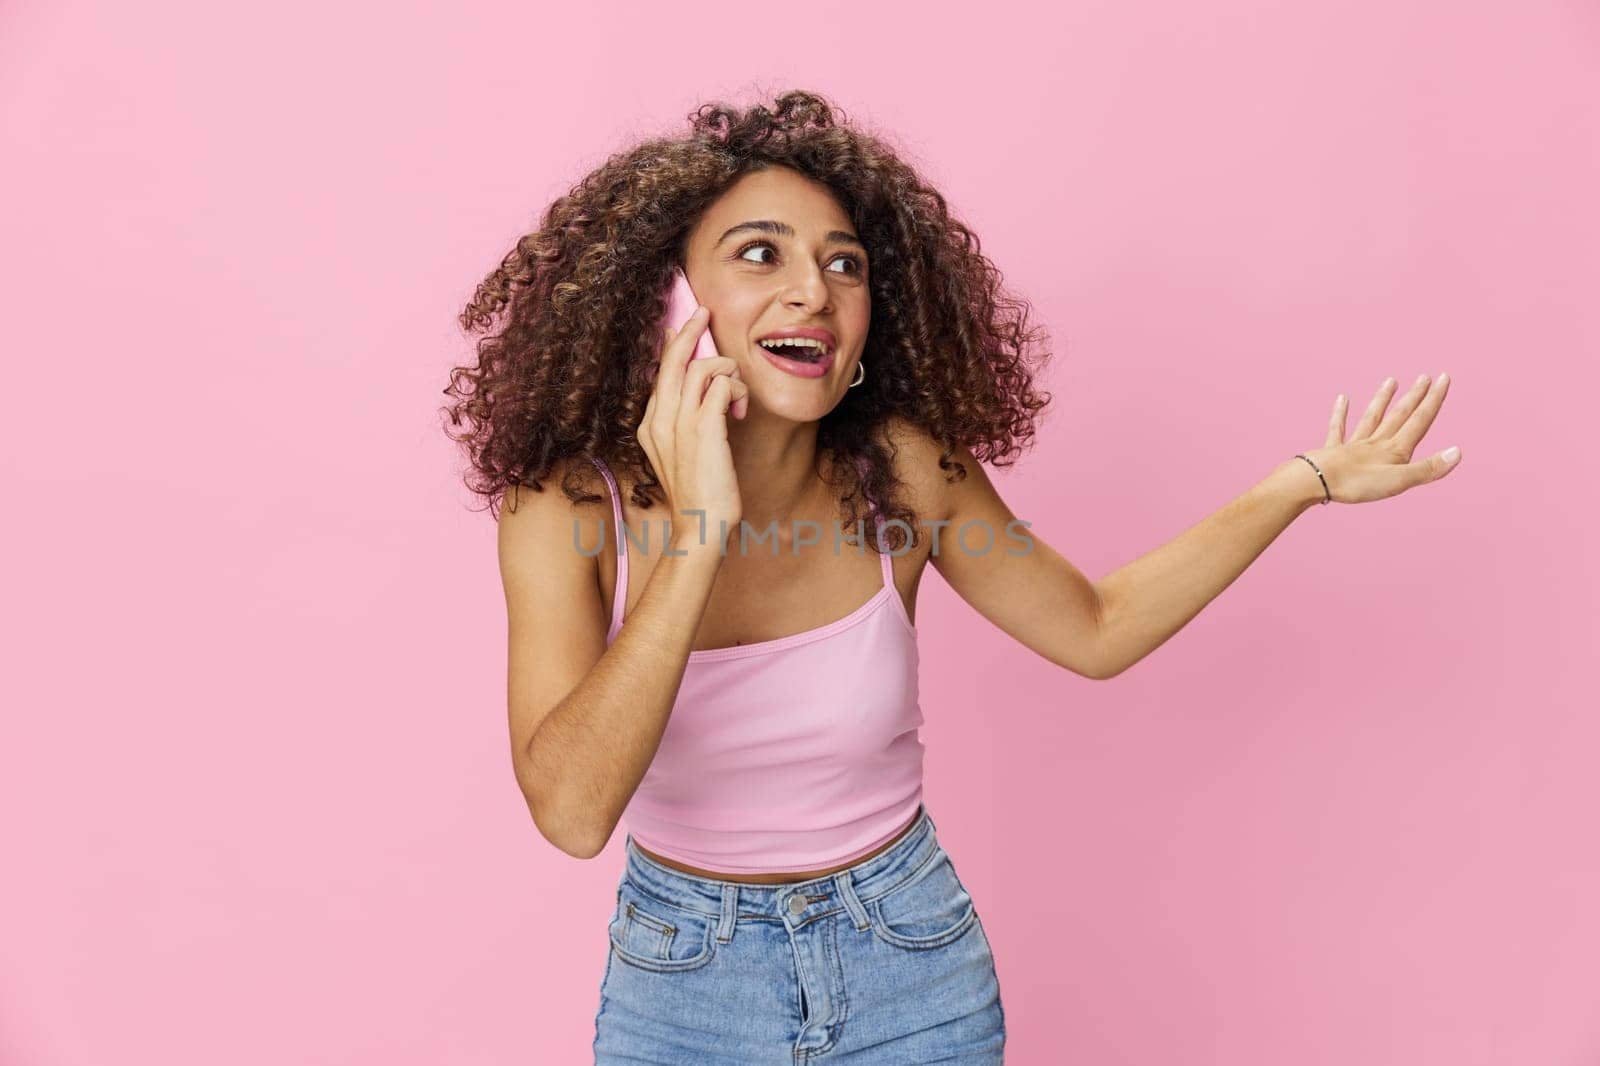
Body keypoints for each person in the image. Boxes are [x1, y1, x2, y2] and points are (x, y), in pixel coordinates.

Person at [441, 89, 1460, 1064]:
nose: (814, 290)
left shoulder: (906, 475)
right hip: (682, 987)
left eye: (846, 266)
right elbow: (571, 812)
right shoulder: (570, 510)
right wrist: (702, 533)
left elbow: (1095, 625)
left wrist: (1304, 481)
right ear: (665, 300)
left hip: (910, 966)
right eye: (760, 254)